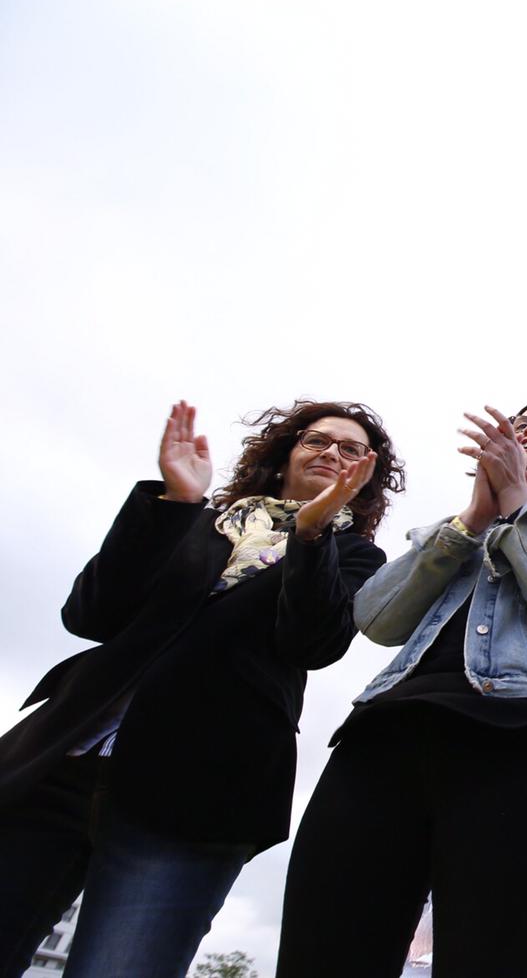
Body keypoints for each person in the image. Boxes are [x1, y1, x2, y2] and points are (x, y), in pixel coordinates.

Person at [0, 399, 397, 978]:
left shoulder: (354, 555)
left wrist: (311, 537)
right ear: (285, 452)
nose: (331, 452)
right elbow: (91, 614)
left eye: (351, 449)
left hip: (199, 789)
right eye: (316, 440)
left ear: (363, 475)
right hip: (62, 763)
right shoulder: (199, 522)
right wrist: (176, 503)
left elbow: (313, 645)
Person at [275, 399, 527, 978]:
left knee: (492, 955)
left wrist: (517, 500)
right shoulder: (447, 532)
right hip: (382, 740)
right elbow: (377, 619)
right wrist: (470, 521)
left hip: (523, 739)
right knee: (327, 950)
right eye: (520, 423)